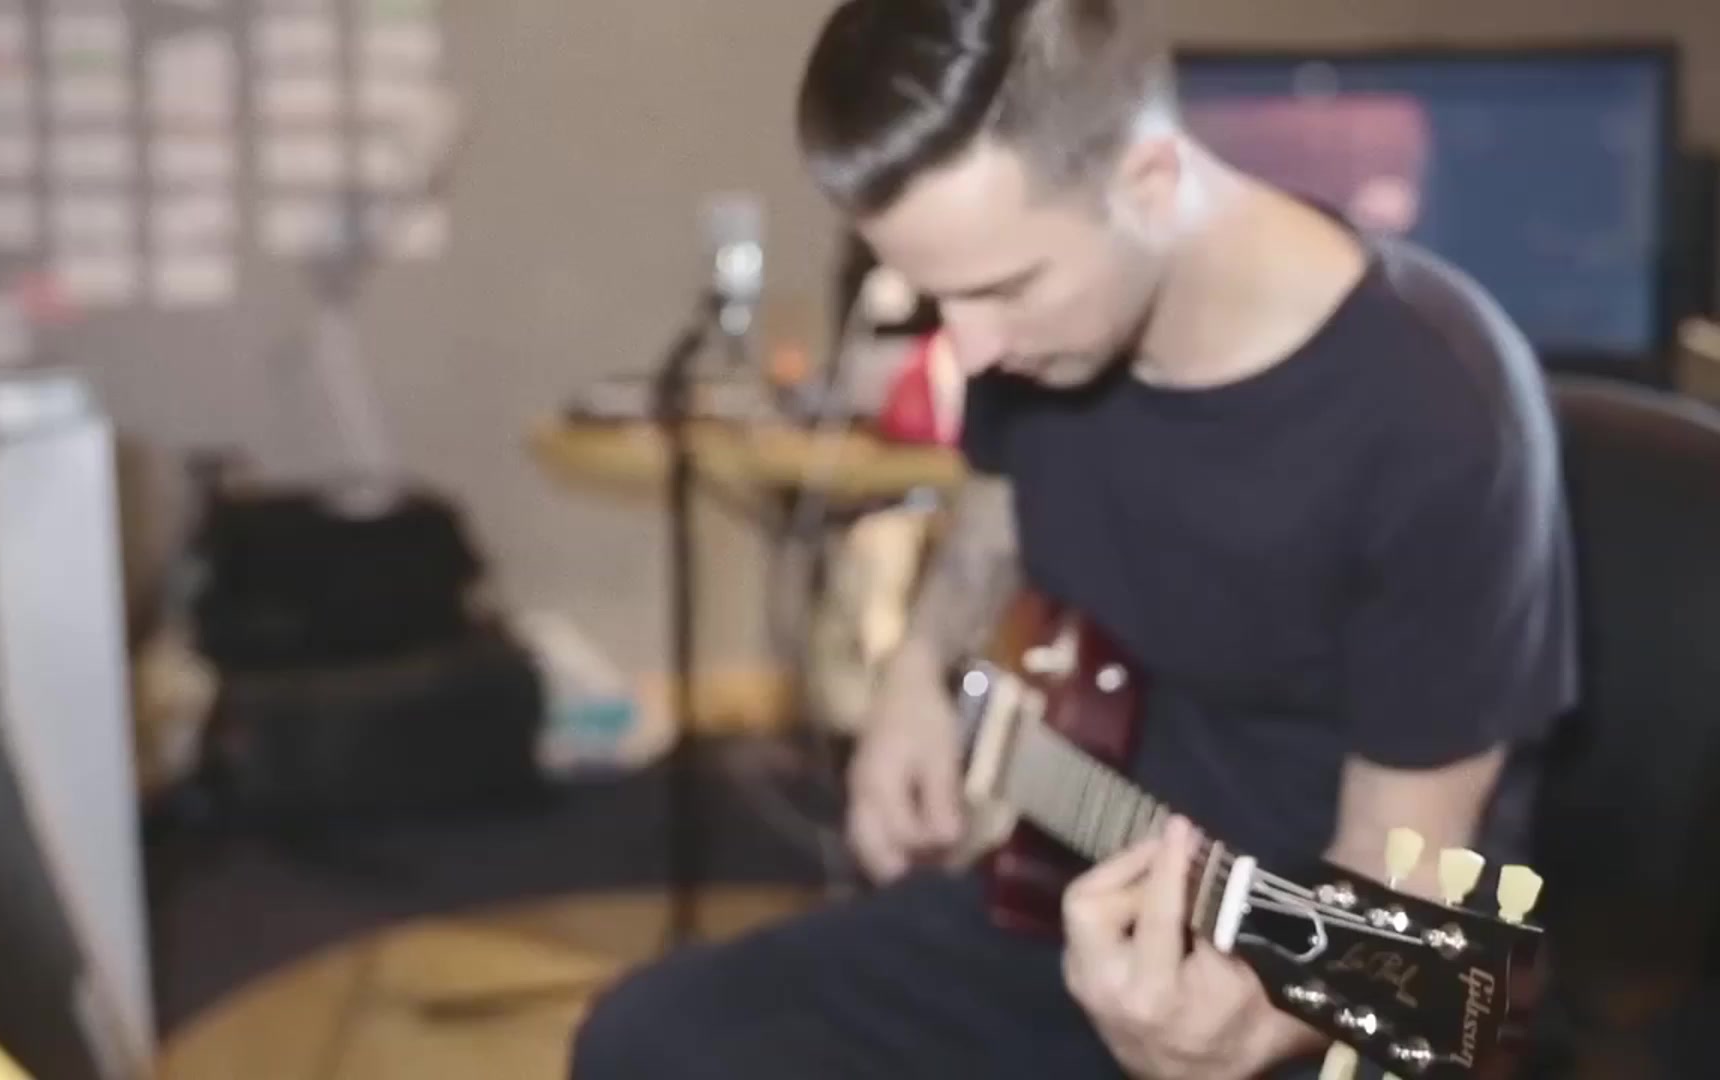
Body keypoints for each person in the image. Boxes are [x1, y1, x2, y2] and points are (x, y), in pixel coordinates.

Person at [570, 0, 1578, 1077]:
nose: (970, 350)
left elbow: (1406, 893)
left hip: (1312, 978)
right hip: (1075, 898)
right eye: (937, 300)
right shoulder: (1031, 339)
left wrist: (1245, 1024)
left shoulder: (1437, 413)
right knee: (648, 1040)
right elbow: (994, 510)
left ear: (1150, 180)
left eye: (1004, 288)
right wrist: (917, 678)